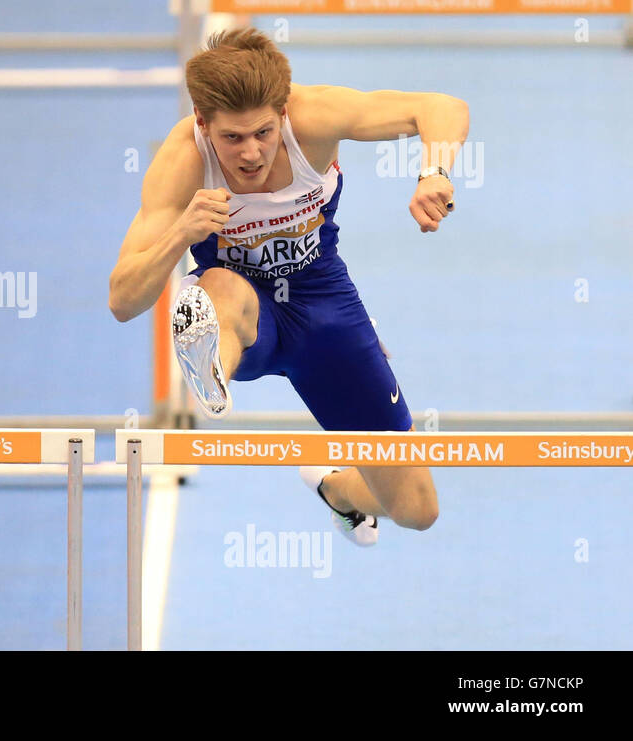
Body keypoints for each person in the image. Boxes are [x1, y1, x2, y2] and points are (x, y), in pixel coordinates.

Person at [109, 28, 466, 545]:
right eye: (231, 138)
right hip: (243, 310)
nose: (250, 153)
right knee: (220, 288)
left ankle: (338, 491)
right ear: (204, 125)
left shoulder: (314, 117)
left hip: (323, 305)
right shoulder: (184, 159)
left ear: (283, 115)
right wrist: (181, 235)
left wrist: (435, 173)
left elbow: (440, 107)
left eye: (262, 133)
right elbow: (122, 299)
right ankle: (211, 363)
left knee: (416, 510)